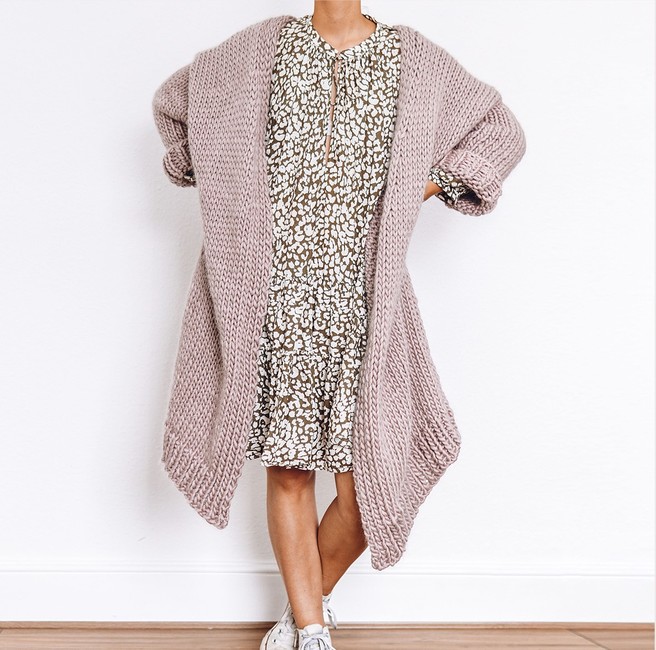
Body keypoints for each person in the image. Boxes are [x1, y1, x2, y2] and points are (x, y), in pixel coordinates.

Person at [152, 2, 526, 649]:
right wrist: (214, 169)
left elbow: (501, 130)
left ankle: (306, 605)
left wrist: (426, 184)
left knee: (366, 483)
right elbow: (175, 105)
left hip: (363, 299)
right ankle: (311, 629)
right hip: (273, 296)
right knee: (289, 469)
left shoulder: (413, 59)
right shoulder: (256, 51)